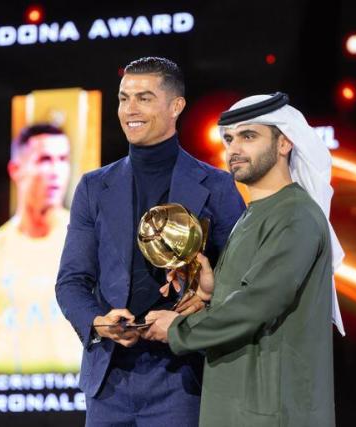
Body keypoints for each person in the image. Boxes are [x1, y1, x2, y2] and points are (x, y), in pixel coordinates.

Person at [55, 57, 246, 426]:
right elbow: (71, 282)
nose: (130, 110)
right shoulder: (94, 188)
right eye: (124, 98)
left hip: (183, 377)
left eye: (144, 98)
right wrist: (97, 322)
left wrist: (200, 308)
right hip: (109, 380)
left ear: (176, 106)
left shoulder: (218, 187)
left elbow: (241, 285)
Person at [143, 92, 346, 426]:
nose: (234, 149)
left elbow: (258, 304)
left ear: (285, 144)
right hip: (238, 409)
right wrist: (213, 290)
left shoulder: (295, 215)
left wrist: (178, 330)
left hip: (273, 414)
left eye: (248, 136)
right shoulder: (254, 215)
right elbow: (247, 295)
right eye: (229, 138)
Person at [0, 124, 82, 374]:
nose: (56, 170)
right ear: (16, 170)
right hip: (8, 399)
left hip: (74, 398)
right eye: (45, 159)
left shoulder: (88, 241)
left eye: (62, 159)